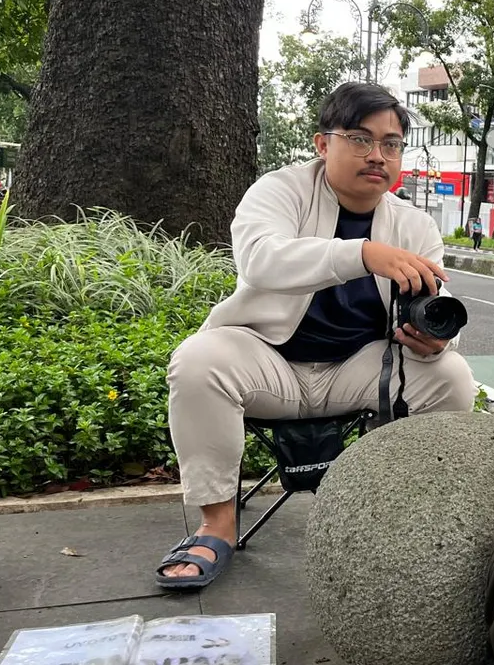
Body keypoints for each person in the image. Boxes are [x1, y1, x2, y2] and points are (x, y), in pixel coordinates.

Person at [155, 82, 477, 590]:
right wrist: (362, 254)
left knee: (451, 377)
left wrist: (437, 341)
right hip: (268, 362)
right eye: (360, 138)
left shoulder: (414, 226)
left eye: (391, 144)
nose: (378, 155)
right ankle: (215, 525)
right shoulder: (279, 191)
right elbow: (260, 259)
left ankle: (400, 515)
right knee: (198, 361)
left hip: (360, 369)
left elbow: (435, 313)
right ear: (323, 143)